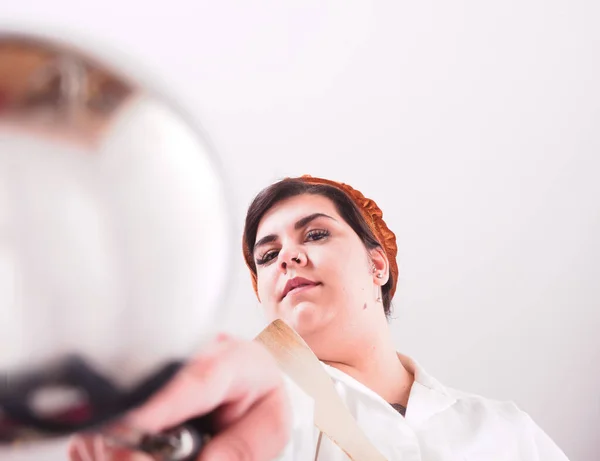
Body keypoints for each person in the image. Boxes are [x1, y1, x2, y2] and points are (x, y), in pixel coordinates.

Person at [240, 174, 570, 460]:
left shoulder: (504, 431)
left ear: (378, 265)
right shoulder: (250, 427)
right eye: (268, 256)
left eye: (315, 234)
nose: (286, 257)